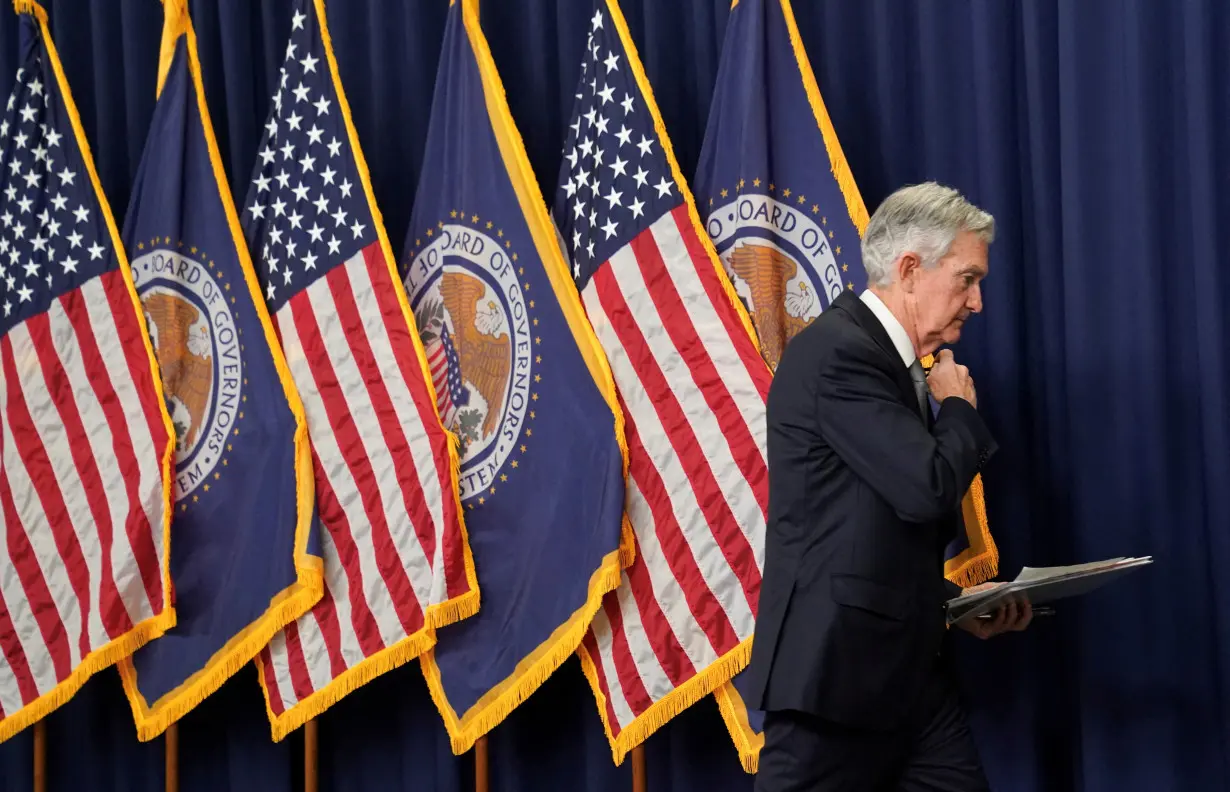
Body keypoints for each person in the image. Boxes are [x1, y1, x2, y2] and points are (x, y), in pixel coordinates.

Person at [749, 182, 1032, 791]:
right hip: (836, 685)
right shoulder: (840, 353)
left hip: (910, 682)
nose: (978, 302)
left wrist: (957, 611)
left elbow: (872, 532)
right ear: (909, 270)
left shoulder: (887, 360)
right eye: (967, 278)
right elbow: (927, 488)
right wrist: (957, 409)